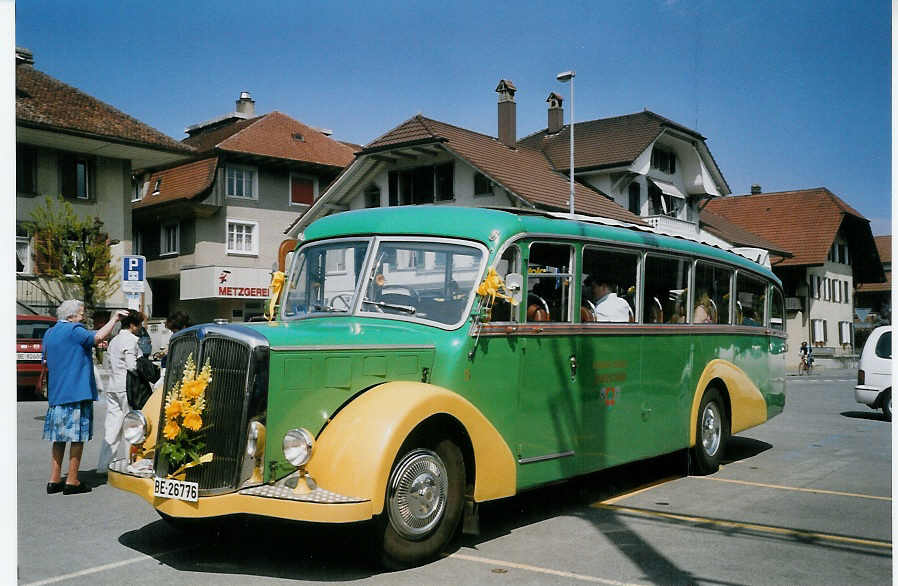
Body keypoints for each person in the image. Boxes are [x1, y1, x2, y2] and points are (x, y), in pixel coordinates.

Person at [42, 300, 125, 495]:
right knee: (77, 438)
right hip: (77, 391)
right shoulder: (74, 330)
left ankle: (54, 479)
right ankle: (72, 480)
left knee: (58, 438)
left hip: (57, 392)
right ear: (71, 316)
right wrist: (114, 319)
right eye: (81, 313)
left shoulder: (50, 332)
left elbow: (48, 357)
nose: (83, 316)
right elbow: (98, 337)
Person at [97, 310, 144, 473]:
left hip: (113, 386)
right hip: (127, 388)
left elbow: (108, 363)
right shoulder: (130, 340)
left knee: (112, 427)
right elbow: (132, 365)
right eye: (139, 324)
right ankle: (131, 463)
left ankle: (103, 465)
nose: (140, 327)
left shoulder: (114, 340)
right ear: (132, 325)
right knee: (132, 425)